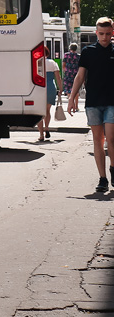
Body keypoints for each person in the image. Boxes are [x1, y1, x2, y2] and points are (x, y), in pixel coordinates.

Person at [67, 18, 114, 192]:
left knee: (111, 138)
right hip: (93, 102)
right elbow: (80, 77)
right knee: (98, 140)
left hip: (112, 102)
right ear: (96, 33)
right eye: (101, 34)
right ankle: (103, 178)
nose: (104, 37)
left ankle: (113, 169)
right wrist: (72, 98)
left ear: (112, 33)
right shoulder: (88, 52)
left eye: (108, 34)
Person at [38, 54, 62, 141]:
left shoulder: (37, 63)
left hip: (39, 87)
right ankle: (47, 127)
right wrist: (60, 88)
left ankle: (41, 134)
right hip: (51, 87)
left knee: (40, 112)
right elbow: (58, 77)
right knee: (47, 110)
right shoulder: (53, 63)